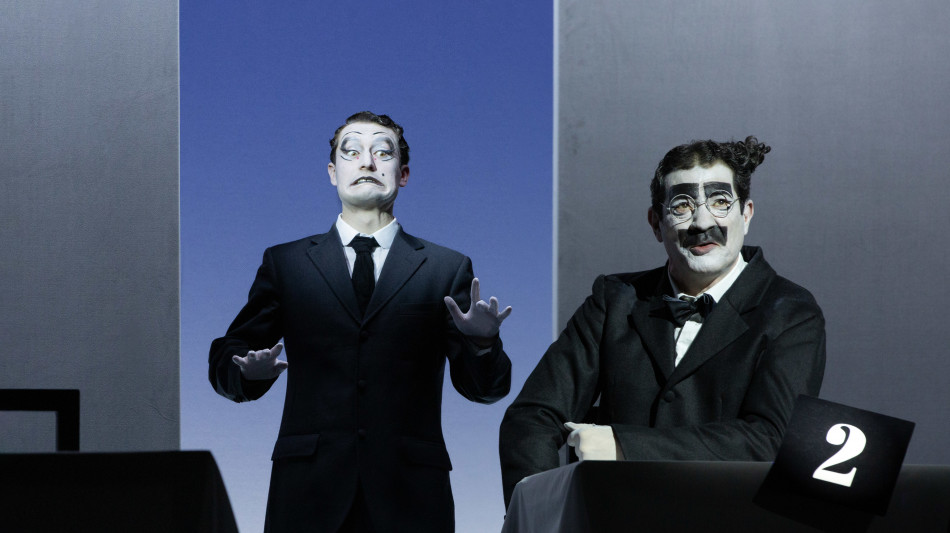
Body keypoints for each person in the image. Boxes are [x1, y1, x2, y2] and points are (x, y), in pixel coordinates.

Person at [210, 111, 513, 532]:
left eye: (382, 153)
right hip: (307, 493)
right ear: (332, 173)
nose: (367, 161)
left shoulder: (446, 268)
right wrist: (247, 371)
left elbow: (485, 390)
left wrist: (482, 344)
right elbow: (228, 352)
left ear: (403, 175)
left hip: (411, 495)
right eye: (351, 152)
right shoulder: (287, 264)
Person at [498, 136, 825, 506]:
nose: (703, 222)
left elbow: (772, 440)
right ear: (656, 223)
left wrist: (624, 446)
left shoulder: (791, 311)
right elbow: (534, 415)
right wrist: (539, 512)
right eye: (682, 205)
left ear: (746, 214)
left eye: (720, 202)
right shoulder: (613, 300)